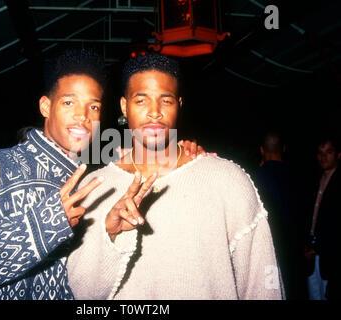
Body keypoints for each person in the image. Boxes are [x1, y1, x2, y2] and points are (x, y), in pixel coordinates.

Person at [0, 48, 203, 300]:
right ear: (46, 106)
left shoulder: (93, 182)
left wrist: (178, 156)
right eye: (69, 102)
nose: (82, 116)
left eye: (93, 107)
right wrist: (43, 227)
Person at [66, 53, 284, 300]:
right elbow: (81, 294)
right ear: (124, 107)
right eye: (141, 100)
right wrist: (110, 233)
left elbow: (263, 285)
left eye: (165, 101)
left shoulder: (227, 180)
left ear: (179, 105)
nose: (155, 112)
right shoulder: (95, 189)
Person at [253, 130, 306, 299]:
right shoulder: (299, 177)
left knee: (272, 294)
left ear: (262, 150)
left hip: (269, 258)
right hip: (296, 255)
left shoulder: (254, 178)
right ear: (283, 148)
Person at [304, 135, 341, 300]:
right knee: (314, 295)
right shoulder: (314, 180)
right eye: (320, 152)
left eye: (329, 152)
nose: (323, 157)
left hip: (331, 255)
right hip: (312, 255)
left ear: (338, 155)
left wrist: (319, 247)